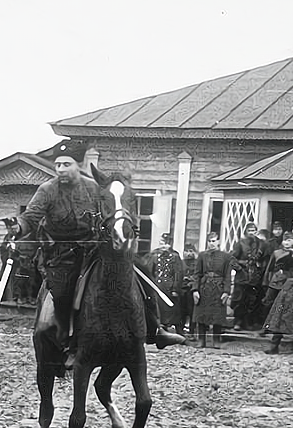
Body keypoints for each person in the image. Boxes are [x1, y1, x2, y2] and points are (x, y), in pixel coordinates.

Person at [9, 140, 185, 366]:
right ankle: (69, 343)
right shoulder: (47, 190)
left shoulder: (94, 188)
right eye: (58, 165)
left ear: (78, 165)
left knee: (140, 270)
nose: (61, 169)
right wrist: (18, 226)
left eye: (66, 164)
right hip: (62, 258)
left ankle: (155, 328)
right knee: (63, 293)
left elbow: (112, 213)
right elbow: (30, 217)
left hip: (95, 251)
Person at [191, 231, 235, 349]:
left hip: (218, 288)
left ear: (219, 242)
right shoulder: (202, 255)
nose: (212, 243)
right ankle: (201, 340)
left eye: (214, 241)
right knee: (201, 314)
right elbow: (197, 274)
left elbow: (227, 275)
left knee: (217, 315)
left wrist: (226, 291)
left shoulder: (226, 257)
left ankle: (216, 340)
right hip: (204, 287)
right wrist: (195, 290)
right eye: (209, 241)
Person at [141, 232, 186, 333]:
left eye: (166, 243)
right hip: (158, 287)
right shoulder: (154, 255)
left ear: (170, 244)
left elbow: (178, 274)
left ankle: (179, 331)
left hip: (170, 288)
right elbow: (149, 272)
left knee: (173, 310)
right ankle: (159, 330)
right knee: (158, 310)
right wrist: (150, 287)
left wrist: (175, 289)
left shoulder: (175, 256)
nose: (164, 246)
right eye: (162, 243)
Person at [230, 222, 267, 331]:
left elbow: (265, 259)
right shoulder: (240, 243)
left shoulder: (261, 244)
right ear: (246, 231)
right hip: (242, 276)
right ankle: (238, 322)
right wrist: (240, 268)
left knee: (251, 300)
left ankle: (247, 322)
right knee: (239, 300)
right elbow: (231, 259)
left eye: (254, 231)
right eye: (249, 231)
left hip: (254, 276)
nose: (251, 233)